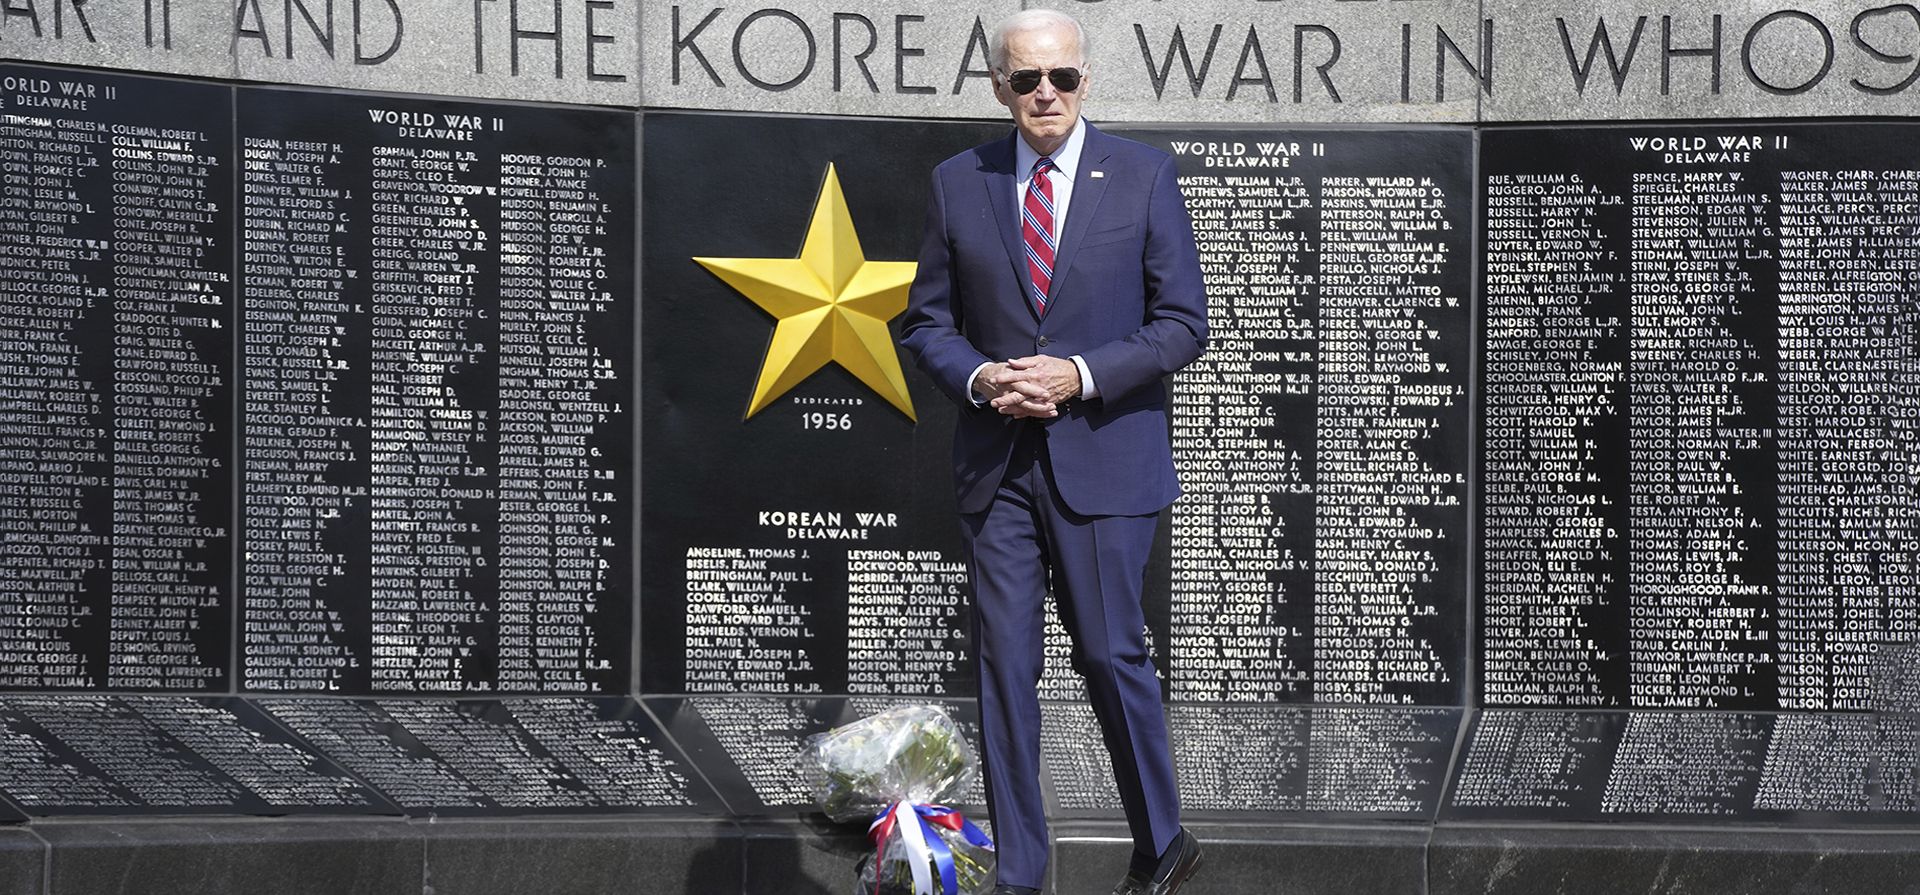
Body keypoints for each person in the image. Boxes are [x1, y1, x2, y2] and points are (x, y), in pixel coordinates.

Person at [898, 9, 1207, 895]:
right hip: (998, 467)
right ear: (998, 86)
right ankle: (1021, 873)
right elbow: (926, 323)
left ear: (1085, 81)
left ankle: (1162, 839)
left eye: (1061, 78)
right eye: (1026, 79)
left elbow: (1184, 322)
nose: (1045, 94)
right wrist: (986, 377)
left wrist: (1076, 374)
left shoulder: (1145, 177)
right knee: (1004, 667)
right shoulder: (960, 181)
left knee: (1112, 652)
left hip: (1106, 462)